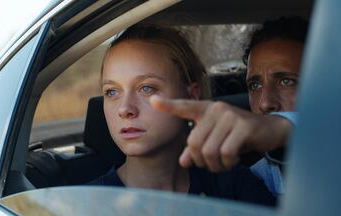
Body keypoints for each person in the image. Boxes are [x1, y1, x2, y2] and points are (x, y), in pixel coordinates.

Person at [88, 24, 276, 206]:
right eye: (112, 92)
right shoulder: (82, 205)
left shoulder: (234, 186)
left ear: (191, 96)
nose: (124, 109)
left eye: (146, 88)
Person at [150, 16, 308, 197]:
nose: (265, 103)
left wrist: (282, 126)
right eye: (255, 86)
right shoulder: (256, 179)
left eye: (286, 81)